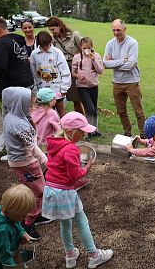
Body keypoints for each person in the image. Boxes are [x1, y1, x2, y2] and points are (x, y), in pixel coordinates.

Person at [42, 111, 113, 268]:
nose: (83, 135)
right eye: (81, 132)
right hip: (65, 193)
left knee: (65, 223)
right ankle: (94, 255)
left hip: (51, 188)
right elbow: (75, 176)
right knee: (82, 222)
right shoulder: (71, 149)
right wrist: (87, 166)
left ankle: (70, 255)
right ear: (69, 131)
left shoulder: (54, 143)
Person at [2, 86, 50, 240]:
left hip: (17, 162)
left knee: (31, 187)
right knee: (40, 192)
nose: (32, 108)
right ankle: (28, 223)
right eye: (29, 106)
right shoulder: (20, 124)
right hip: (27, 163)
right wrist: (45, 160)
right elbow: (33, 148)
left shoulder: (10, 116)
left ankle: (38, 214)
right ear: (19, 104)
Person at [103, 19, 145, 137]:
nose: (116, 33)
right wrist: (123, 61)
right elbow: (105, 63)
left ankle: (143, 134)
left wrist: (114, 64)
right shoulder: (110, 43)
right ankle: (127, 133)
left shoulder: (132, 43)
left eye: (118, 30)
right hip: (117, 82)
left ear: (125, 29)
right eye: (114, 30)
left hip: (132, 82)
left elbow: (131, 64)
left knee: (138, 111)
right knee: (121, 111)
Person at [0, 17, 34, 99]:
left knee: (13, 112)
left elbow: (0, 66)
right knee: (29, 110)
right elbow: (9, 58)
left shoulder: (1, 44)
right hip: (28, 83)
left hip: (14, 88)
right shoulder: (17, 38)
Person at [46, 16, 85, 115]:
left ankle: (82, 122)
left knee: (76, 99)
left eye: (53, 29)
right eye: (50, 30)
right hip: (61, 70)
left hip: (74, 69)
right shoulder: (53, 39)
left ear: (59, 26)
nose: (52, 32)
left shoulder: (74, 35)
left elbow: (87, 48)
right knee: (59, 98)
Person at [29, 31, 71, 117]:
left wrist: (64, 88)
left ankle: (64, 129)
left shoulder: (57, 52)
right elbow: (33, 72)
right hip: (42, 90)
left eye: (47, 45)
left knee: (61, 111)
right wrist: (36, 88)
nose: (45, 48)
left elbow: (65, 71)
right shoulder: (34, 54)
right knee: (45, 113)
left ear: (50, 42)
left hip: (56, 89)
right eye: (42, 46)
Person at [72, 37, 104, 138]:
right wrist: (78, 76)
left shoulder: (96, 56)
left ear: (92, 47)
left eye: (89, 48)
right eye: (85, 48)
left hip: (94, 86)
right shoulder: (77, 57)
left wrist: (94, 60)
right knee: (89, 109)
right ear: (81, 47)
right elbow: (73, 73)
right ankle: (89, 131)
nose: (87, 50)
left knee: (94, 109)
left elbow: (100, 71)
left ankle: (95, 130)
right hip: (82, 87)